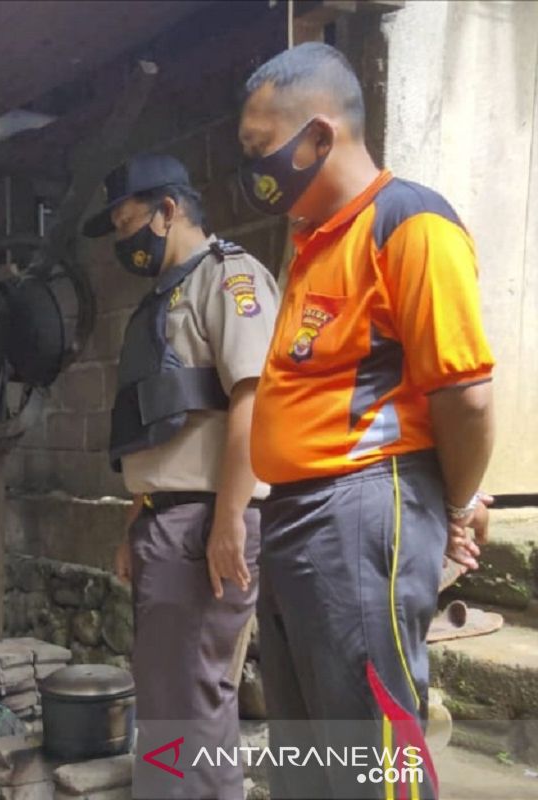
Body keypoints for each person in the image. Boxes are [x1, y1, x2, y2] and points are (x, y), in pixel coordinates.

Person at [238, 43, 495, 798]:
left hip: (358, 506)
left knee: (367, 752)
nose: (252, 168)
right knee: (309, 755)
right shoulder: (316, 244)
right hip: (299, 517)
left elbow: (467, 396)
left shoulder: (408, 224)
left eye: (262, 149)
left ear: (319, 137)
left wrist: (454, 503)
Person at [83, 153, 279, 799]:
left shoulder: (230, 278)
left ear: (169, 210)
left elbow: (253, 397)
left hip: (205, 522)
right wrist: (136, 520)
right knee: (170, 692)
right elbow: (166, 430)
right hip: (170, 519)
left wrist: (228, 520)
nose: (121, 240)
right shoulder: (166, 294)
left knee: (192, 697)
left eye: (127, 221)